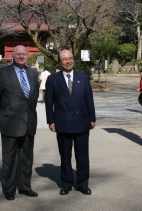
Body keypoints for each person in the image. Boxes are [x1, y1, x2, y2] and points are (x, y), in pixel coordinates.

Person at [0, 45, 39, 201]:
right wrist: (5, 109)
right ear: (12, 55)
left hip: (29, 121)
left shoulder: (32, 73)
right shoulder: (2, 73)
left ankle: (25, 186)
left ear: (28, 55)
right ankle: (9, 189)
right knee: (9, 158)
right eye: (18, 54)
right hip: (10, 121)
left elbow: (33, 96)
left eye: (24, 54)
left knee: (27, 158)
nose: (21, 56)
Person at [45, 50, 96, 196]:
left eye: (70, 58)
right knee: (65, 156)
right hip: (63, 122)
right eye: (64, 59)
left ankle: (82, 184)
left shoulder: (83, 78)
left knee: (82, 156)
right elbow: (49, 103)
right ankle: (66, 183)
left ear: (74, 60)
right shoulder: (53, 79)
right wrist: (51, 121)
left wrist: (92, 118)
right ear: (60, 62)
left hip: (82, 121)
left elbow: (89, 100)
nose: (68, 61)